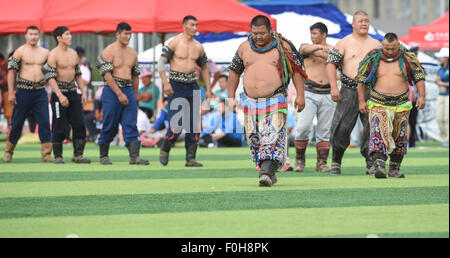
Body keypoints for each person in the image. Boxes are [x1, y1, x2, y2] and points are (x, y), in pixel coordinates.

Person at [228, 15, 307, 187]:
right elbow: (234, 72)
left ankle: (266, 173)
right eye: (255, 33)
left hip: (275, 99)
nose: (258, 37)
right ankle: (269, 170)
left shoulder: (283, 47)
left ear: (270, 31)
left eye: (262, 33)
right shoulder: (243, 48)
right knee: (254, 139)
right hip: (249, 101)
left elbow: (297, 71)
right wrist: (230, 97)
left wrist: (300, 95)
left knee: (272, 136)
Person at [356, 33, 426, 178]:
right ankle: (379, 166)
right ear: (382, 45)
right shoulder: (372, 58)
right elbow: (361, 81)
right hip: (378, 103)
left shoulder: (408, 58)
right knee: (378, 132)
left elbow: (419, 77)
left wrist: (422, 96)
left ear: (398, 45)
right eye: (386, 48)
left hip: (402, 104)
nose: (389, 51)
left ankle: (394, 169)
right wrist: (362, 101)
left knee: (400, 137)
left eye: (393, 49)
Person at [326, 11, 381, 175]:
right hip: (348, 89)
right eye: (360, 21)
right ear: (353, 24)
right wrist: (333, 87)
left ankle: (370, 162)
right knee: (341, 127)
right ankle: (336, 160)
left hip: (372, 90)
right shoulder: (344, 42)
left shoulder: (376, 44)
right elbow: (331, 64)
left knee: (373, 126)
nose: (364, 23)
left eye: (366, 20)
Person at [157, 15, 212, 167]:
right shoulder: (175, 42)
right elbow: (161, 64)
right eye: (192, 25)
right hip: (176, 85)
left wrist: (208, 88)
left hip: (192, 85)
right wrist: (166, 84)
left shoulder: (198, 46)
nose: (195, 28)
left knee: (194, 124)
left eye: (196, 25)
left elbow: (205, 68)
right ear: (184, 26)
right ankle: (166, 147)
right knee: (177, 123)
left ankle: (190, 158)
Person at [96, 22, 149, 165]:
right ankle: (104, 155)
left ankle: (135, 156)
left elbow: (136, 76)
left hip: (129, 89)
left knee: (131, 123)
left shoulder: (133, 53)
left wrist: (135, 95)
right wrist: (119, 94)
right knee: (110, 123)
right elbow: (107, 75)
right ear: (117, 34)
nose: (128, 36)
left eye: (130, 34)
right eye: (125, 33)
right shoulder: (108, 51)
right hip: (112, 91)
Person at [2, 26, 53, 163]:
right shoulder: (19, 52)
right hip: (23, 91)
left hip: (40, 91)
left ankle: (46, 154)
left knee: (44, 121)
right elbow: (11, 73)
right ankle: (8, 151)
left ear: (39, 36)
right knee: (17, 122)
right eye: (30, 34)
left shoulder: (45, 52)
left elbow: (52, 71)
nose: (33, 37)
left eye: (36, 34)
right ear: (26, 36)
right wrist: (12, 92)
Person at [42, 26, 91, 164]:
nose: (70, 37)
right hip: (59, 94)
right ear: (59, 38)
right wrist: (59, 95)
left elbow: (78, 75)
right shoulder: (53, 55)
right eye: (67, 34)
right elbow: (50, 78)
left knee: (79, 124)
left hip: (73, 92)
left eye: (70, 34)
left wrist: (83, 92)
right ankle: (58, 156)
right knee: (59, 125)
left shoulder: (74, 53)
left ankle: (78, 155)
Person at [294, 22, 334, 173]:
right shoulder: (307, 47)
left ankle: (321, 163)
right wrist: (320, 49)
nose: (312, 37)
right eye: (311, 34)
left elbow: (338, 58)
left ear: (324, 35)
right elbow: (304, 49)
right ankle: (300, 160)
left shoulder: (333, 48)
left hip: (328, 92)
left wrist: (321, 51)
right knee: (303, 127)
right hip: (308, 91)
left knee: (324, 130)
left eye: (315, 34)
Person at [434, 47, 449, 147]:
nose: (439, 58)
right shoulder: (440, 68)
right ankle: (444, 139)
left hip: (448, 95)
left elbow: (441, 82)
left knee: (447, 118)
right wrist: (438, 82)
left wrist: (442, 83)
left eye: (441, 57)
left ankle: (448, 139)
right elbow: (437, 80)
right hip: (441, 95)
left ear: (446, 58)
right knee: (439, 117)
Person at [0, 52, 14, 128]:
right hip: (6, 91)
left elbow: (7, 78)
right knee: (9, 113)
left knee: (10, 114)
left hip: (9, 91)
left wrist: (0, 83)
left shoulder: (5, 65)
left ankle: (11, 132)